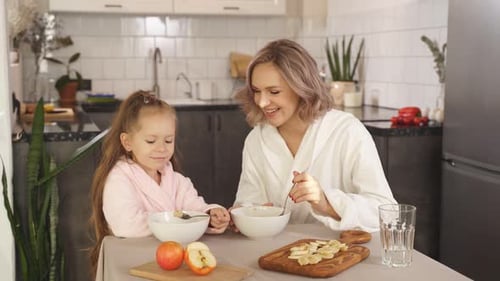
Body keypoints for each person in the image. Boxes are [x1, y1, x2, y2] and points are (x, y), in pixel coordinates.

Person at [233, 39, 396, 232]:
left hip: (339, 254)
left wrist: (326, 202)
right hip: (275, 253)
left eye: (274, 91)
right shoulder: (257, 139)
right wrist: (246, 215)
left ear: (301, 88)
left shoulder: (347, 131)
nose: (261, 102)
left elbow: (387, 212)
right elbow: (247, 203)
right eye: (256, 91)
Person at [89, 91, 230, 274]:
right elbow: (126, 224)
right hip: (134, 263)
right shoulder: (119, 179)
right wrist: (176, 222)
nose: (162, 148)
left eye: (168, 140)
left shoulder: (176, 180)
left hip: (174, 263)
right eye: (151, 140)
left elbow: (194, 208)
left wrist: (210, 215)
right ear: (127, 142)